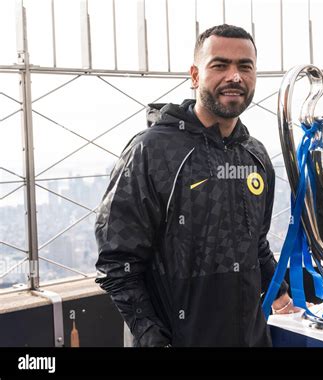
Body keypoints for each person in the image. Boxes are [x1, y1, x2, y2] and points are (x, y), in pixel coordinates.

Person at [95, 24, 300, 347]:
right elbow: (118, 264)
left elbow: (255, 243)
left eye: (245, 66)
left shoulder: (255, 155)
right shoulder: (151, 151)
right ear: (194, 75)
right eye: (220, 65)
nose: (234, 76)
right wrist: (152, 338)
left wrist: (280, 293)